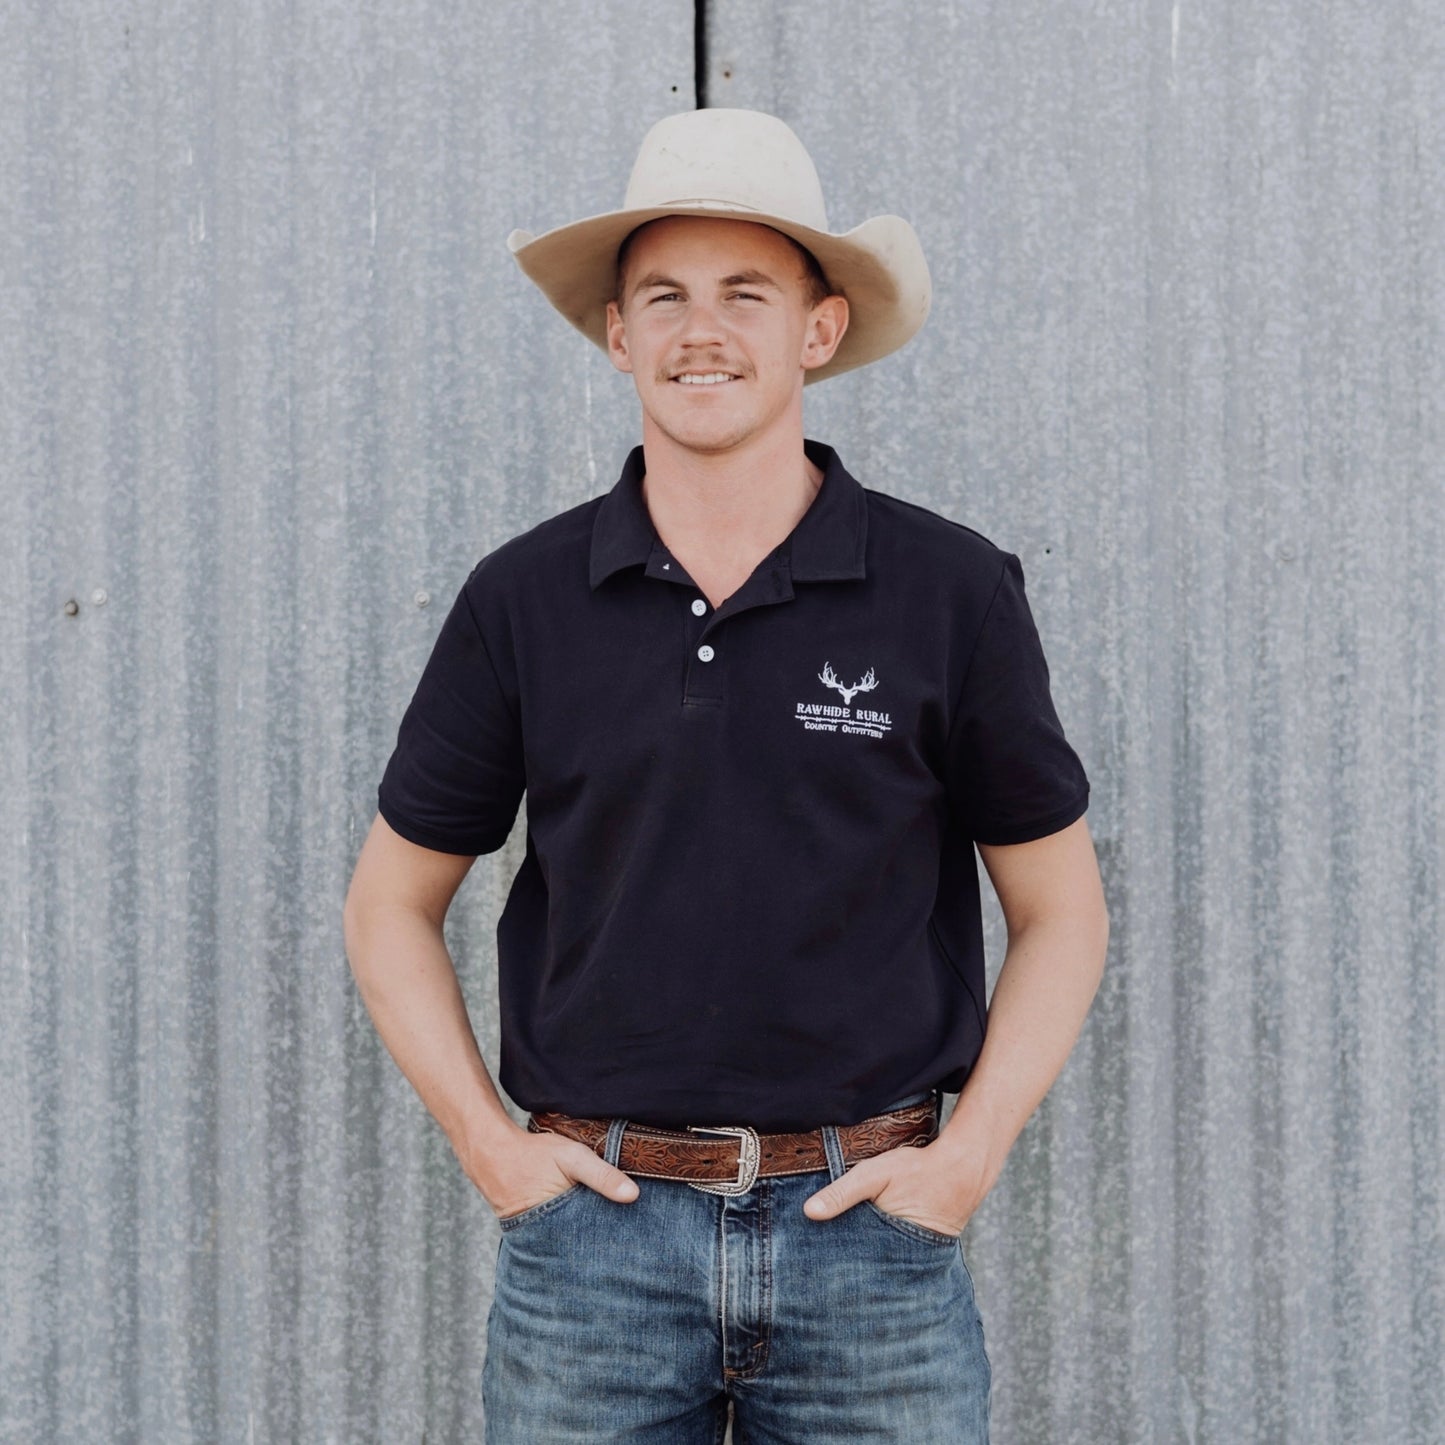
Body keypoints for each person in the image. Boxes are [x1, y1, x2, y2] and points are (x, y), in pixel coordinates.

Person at [343, 107, 1109, 1443]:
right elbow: (386, 905)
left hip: (870, 1245)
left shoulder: (948, 591)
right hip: (594, 1256)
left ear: (817, 329)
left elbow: (1061, 911)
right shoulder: (521, 600)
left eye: (745, 294)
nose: (703, 331)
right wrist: (492, 1148)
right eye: (665, 298)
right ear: (616, 335)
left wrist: (966, 1158)